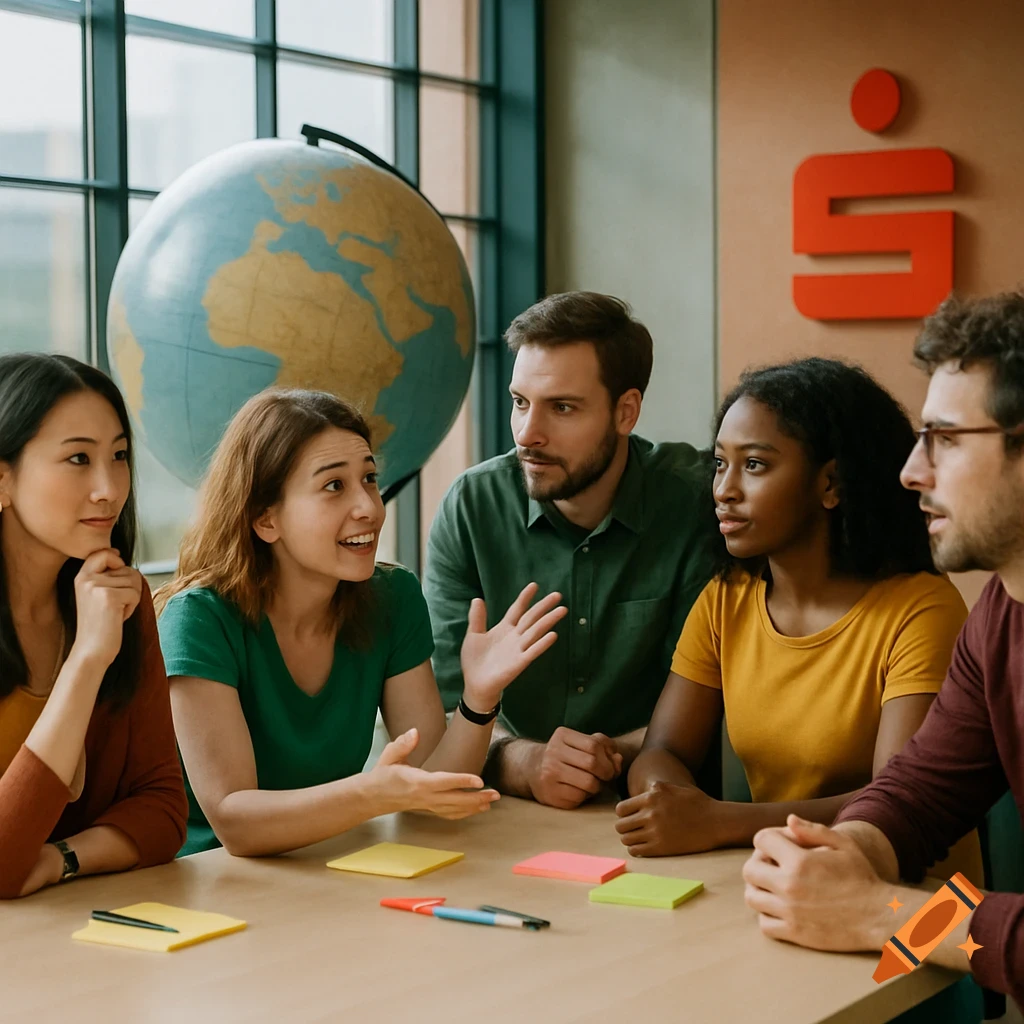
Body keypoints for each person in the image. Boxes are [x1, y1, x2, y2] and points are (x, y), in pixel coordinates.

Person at [740, 292, 1024, 1007]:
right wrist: (847, 852)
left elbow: (904, 918)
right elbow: (923, 790)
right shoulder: (1001, 612)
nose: (911, 472)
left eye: (946, 439)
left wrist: (882, 915)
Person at [157, 388, 566, 857]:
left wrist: (479, 698)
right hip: (210, 878)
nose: (369, 508)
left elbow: (432, 794)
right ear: (266, 519)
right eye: (334, 486)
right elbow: (236, 824)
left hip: (335, 864)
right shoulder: (199, 619)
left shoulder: (393, 598)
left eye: (369, 479)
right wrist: (373, 795)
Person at [617, 357, 980, 882]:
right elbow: (664, 749)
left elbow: (898, 802)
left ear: (831, 482)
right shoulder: (726, 598)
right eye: (719, 463)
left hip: (916, 903)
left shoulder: (921, 611)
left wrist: (718, 821)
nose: (724, 490)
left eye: (754, 465)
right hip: (785, 881)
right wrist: (666, 802)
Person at [423, 292, 712, 809]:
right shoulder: (471, 507)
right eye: (519, 402)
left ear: (626, 412)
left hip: (661, 804)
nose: (527, 434)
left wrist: (602, 760)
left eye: (561, 408)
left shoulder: (697, 506)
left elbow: (718, 703)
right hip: (499, 809)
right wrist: (524, 762)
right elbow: (439, 710)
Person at [0, 353, 187, 899]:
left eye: (119, 456)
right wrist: (86, 660)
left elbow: (163, 810)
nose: (109, 488)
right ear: (3, 477)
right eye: (78, 458)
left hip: (80, 925)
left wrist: (60, 859)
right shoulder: (102, 624)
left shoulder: (119, 599)